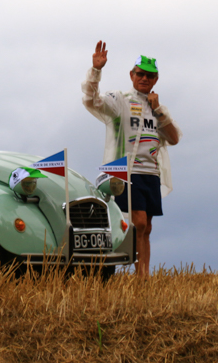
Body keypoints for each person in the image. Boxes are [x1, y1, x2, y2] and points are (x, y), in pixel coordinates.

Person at [82, 41, 181, 277]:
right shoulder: (121, 99)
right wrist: (96, 70)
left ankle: (143, 276)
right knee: (139, 222)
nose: (144, 78)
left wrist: (159, 112)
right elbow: (91, 101)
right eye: (139, 74)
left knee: (147, 227)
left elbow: (174, 138)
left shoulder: (157, 107)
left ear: (156, 79)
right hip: (127, 171)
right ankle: (137, 273)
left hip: (151, 173)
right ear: (131, 75)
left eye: (149, 75)